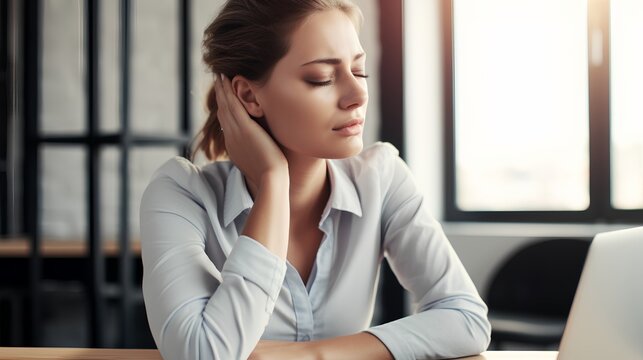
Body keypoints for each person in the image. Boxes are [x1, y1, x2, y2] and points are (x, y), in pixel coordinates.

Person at [139, 0, 491, 359]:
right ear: (248, 95)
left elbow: (467, 319)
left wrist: (313, 354)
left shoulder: (380, 179)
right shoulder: (181, 194)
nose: (357, 96)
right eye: (321, 78)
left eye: (360, 70)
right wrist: (274, 182)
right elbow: (200, 355)